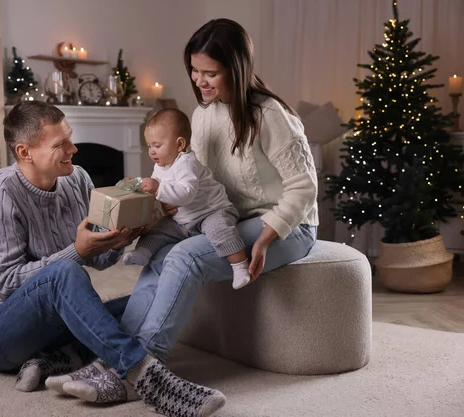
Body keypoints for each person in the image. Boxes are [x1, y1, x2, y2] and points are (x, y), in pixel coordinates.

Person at [61, 18, 319, 387]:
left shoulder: (270, 116)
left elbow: (304, 187)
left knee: (184, 258)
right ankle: (117, 356)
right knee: (158, 256)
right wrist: (158, 210)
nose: (199, 80)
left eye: (210, 72)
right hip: (225, 217)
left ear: (237, 68)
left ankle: (141, 374)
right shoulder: (202, 116)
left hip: (288, 226)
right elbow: (190, 178)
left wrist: (265, 237)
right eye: (195, 70)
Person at [0, 100, 226, 417]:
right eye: (61, 144)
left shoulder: (77, 179)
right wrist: (78, 251)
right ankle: (147, 377)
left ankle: (59, 358)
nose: (73, 149)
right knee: (64, 273)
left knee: (147, 295)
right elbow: (6, 285)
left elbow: (100, 262)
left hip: (54, 327)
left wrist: (124, 236)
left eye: (70, 138)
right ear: (24, 152)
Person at [123, 108, 251, 289]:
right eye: (149, 146)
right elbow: (159, 189)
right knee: (157, 230)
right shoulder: (161, 165)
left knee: (220, 230)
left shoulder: (186, 163)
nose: (151, 152)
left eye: (157, 146)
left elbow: (186, 193)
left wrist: (158, 188)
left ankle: (240, 266)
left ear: (180, 144)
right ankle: (143, 251)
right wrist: (137, 184)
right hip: (183, 219)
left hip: (211, 211)